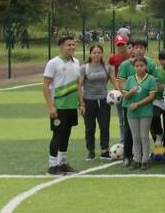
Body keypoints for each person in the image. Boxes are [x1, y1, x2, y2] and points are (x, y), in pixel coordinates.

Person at [43, 34, 81, 174]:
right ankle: (52, 165)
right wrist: (51, 106)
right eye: (68, 45)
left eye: (73, 44)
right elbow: (46, 86)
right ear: (60, 47)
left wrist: (80, 103)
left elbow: (78, 85)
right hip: (59, 105)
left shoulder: (76, 62)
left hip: (71, 106)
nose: (71, 47)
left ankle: (62, 162)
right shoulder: (53, 63)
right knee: (57, 135)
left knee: (66, 134)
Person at [78, 44, 114, 161]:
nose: (97, 55)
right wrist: (81, 103)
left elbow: (114, 81)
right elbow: (79, 86)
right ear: (90, 54)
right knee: (90, 127)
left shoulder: (107, 67)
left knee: (104, 126)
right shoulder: (84, 68)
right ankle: (91, 151)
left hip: (104, 101)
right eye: (94, 52)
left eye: (99, 52)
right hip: (89, 101)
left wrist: (120, 93)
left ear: (102, 54)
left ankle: (104, 150)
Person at [123, 56, 158, 170]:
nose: (139, 68)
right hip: (132, 112)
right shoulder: (130, 79)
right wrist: (131, 92)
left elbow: (152, 96)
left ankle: (145, 160)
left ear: (146, 66)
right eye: (137, 66)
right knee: (135, 137)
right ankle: (137, 159)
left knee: (144, 136)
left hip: (145, 111)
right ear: (134, 67)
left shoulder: (151, 79)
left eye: (141, 65)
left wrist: (138, 104)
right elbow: (125, 95)